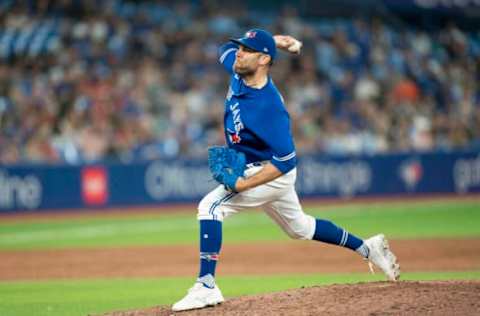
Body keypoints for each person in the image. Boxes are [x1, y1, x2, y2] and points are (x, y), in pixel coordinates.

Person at [172, 29, 400, 312]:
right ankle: (368, 248)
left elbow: (286, 161)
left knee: (209, 207)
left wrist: (244, 185)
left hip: (270, 172)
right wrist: (276, 41)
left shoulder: (269, 108)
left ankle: (206, 285)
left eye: (247, 50)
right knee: (300, 228)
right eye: (240, 48)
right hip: (256, 164)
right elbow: (222, 49)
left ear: (264, 60)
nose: (239, 53)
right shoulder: (239, 69)